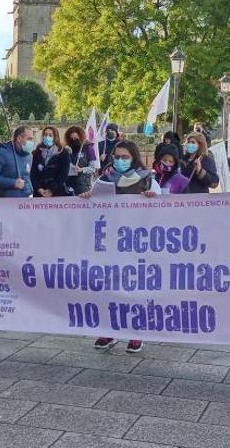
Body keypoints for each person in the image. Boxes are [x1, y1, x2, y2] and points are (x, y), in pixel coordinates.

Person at [79, 140, 160, 353]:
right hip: (110, 242)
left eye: (125, 157)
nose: (120, 161)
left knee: (133, 289)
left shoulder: (147, 179)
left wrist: (154, 198)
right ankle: (109, 331)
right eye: (117, 157)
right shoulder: (105, 179)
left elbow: (164, 208)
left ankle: (136, 333)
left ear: (133, 157)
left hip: (136, 242)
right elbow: (94, 203)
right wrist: (88, 197)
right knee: (109, 288)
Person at [0, 126, 34, 198]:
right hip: (5, 201)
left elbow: (26, 176)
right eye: (29, 139)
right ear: (19, 138)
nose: (31, 142)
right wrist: (13, 183)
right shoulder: (2, 153)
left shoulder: (28, 155)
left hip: (24, 199)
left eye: (32, 139)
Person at [30, 126, 72, 197]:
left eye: (50, 135)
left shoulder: (63, 153)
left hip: (57, 192)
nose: (47, 137)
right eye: (45, 135)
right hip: (39, 193)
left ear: (55, 137)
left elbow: (63, 174)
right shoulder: (36, 152)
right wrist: (38, 188)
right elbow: (32, 173)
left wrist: (51, 190)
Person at [64, 126, 97, 195]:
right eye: (71, 138)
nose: (73, 140)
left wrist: (82, 169)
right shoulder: (67, 149)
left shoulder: (88, 148)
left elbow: (93, 168)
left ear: (81, 137)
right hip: (69, 186)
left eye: (76, 138)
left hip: (84, 187)